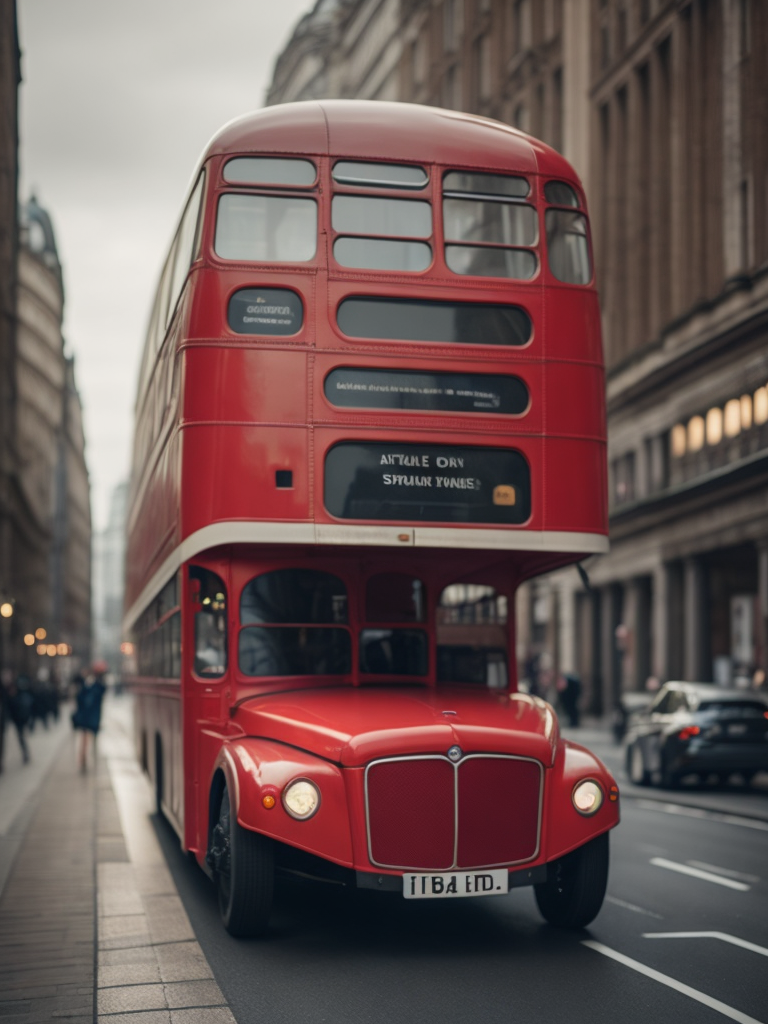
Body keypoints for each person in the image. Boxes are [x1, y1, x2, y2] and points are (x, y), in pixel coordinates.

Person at [72, 661, 107, 772]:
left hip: (87, 718)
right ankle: (86, 762)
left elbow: (79, 700)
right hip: (90, 718)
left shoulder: (88, 687)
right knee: (88, 741)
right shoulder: (93, 686)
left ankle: (85, 762)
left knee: (86, 741)